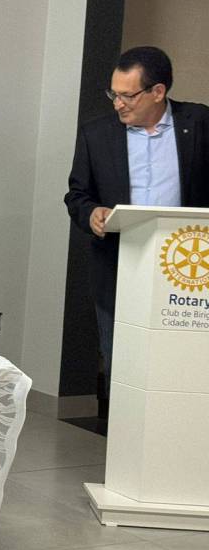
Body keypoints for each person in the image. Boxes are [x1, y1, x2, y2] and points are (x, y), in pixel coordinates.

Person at [65, 46, 209, 389]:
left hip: (189, 268)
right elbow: (77, 195)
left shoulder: (200, 123)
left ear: (158, 91)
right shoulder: (96, 133)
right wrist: (92, 213)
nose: (118, 104)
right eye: (113, 94)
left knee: (184, 366)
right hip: (119, 264)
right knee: (123, 363)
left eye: (127, 96)